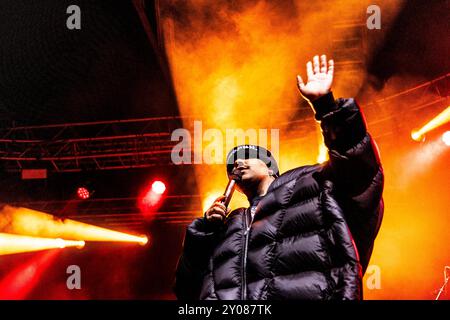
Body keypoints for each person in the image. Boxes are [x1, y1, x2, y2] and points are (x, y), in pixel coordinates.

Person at [174, 54, 384, 300]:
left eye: (246, 157)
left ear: (270, 167)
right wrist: (202, 235)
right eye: (232, 164)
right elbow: (186, 290)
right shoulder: (226, 227)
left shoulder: (310, 182)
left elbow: (361, 169)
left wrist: (325, 107)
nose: (238, 164)